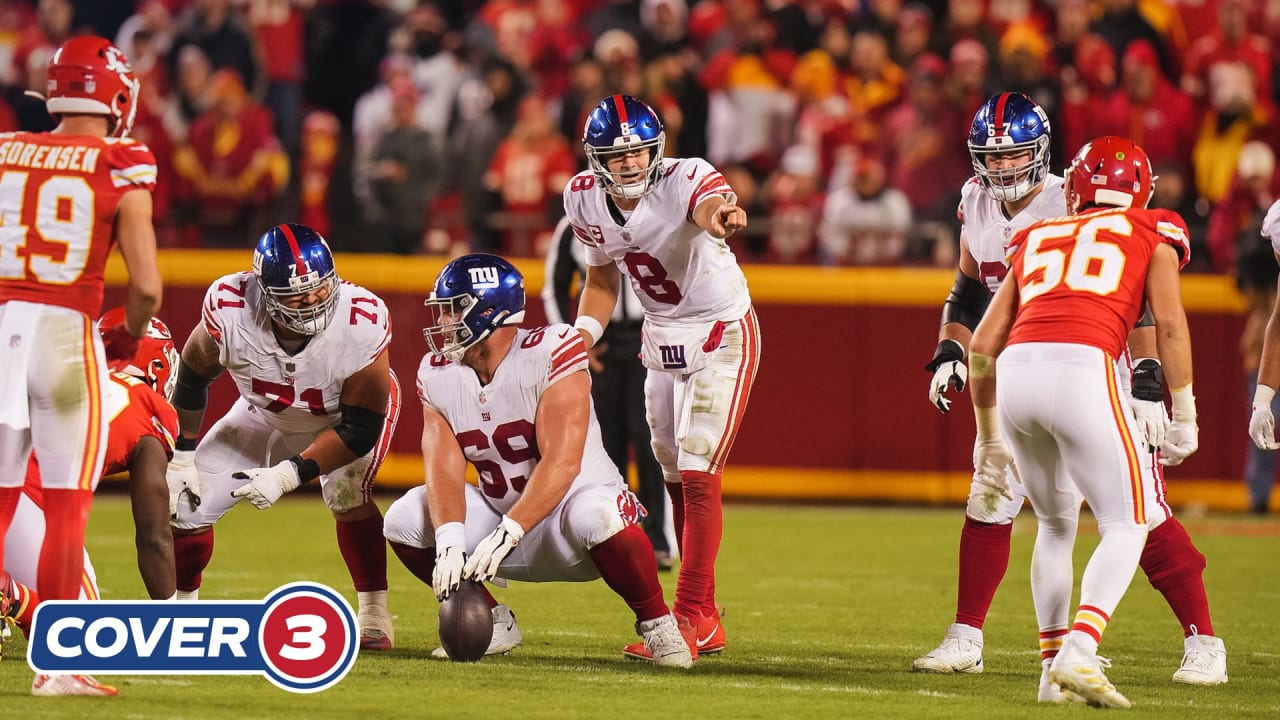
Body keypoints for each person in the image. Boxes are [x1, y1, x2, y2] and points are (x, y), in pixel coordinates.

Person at [915, 94, 1226, 689]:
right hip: (1020, 357)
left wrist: (1145, 375)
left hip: (1088, 359)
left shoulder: (1072, 197)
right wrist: (949, 351)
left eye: (1014, 157)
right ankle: (971, 637)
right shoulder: (977, 201)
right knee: (995, 493)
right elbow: (967, 288)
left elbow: (1136, 306)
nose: (1002, 170)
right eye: (992, 158)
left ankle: (1202, 639)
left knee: (1142, 509)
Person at [966, 136, 1198, 707]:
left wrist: (991, 433)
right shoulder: (1153, 230)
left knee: (1053, 526)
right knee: (1127, 522)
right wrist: (1186, 411)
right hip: (1085, 364)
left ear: (1074, 187)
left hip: (1018, 371)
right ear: (1141, 191)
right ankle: (1080, 649)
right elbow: (1167, 325)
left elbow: (982, 345)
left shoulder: (1038, 235)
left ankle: (1051, 674)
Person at [381, 254, 693, 667]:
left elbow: (562, 463)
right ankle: (494, 622)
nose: (442, 322)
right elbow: (443, 467)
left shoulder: (551, 350)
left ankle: (657, 624)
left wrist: (509, 532)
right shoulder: (437, 373)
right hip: (498, 517)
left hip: (571, 523)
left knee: (599, 515)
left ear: (490, 311)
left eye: (454, 308)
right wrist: (452, 541)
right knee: (403, 518)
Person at [563, 94, 761, 658]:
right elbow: (601, 279)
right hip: (661, 332)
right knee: (672, 469)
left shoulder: (684, 176)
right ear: (594, 157)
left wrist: (722, 214)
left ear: (657, 149)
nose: (628, 164)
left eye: (638, 152)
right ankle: (705, 615)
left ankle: (688, 615)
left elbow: (709, 203)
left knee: (698, 466)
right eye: (615, 154)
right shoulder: (582, 197)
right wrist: (582, 337)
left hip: (721, 327)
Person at [165, 223, 400, 650]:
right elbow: (193, 375)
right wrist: (182, 454)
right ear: (264, 291)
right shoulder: (231, 307)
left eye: (319, 287)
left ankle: (374, 612)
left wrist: (289, 474)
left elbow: (360, 428)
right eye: (296, 293)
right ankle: (183, 614)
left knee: (346, 493)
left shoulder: (360, 319)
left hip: (338, 418)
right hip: (263, 412)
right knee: (183, 507)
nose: (312, 300)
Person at [0, 35, 162, 623]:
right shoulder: (123, 161)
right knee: (67, 506)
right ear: (117, 96)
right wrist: (130, 333)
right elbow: (145, 286)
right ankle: (60, 666)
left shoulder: (6, 149)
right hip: (67, 333)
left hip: (2, 332)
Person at [3, 309, 179, 696]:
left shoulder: (57, 367)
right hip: (20, 492)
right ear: (159, 362)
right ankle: (9, 597)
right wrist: (174, 621)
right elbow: (154, 536)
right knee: (82, 629)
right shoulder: (148, 405)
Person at [543, 214, 673, 570]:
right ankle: (612, 534)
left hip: (649, 334)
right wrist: (573, 343)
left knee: (651, 440)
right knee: (603, 442)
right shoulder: (574, 221)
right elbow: (554, 284)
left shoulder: (657, 211)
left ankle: (657, 538)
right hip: (600, 340)